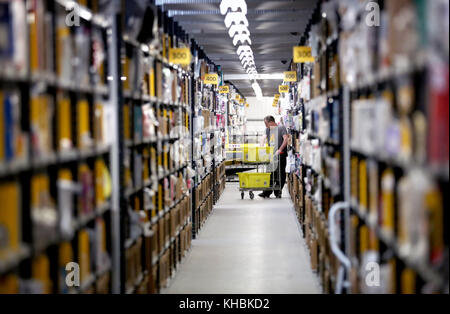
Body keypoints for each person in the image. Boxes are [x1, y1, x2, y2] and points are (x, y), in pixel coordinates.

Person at [259, 116, 289, 199]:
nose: (265, 126)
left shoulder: (281, 128)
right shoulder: (267, 129)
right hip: (271, 154)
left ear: (271, 122)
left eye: (266, 124)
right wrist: (261, 148)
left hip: (281, 154)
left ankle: (278, 191)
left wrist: (280, 149)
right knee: (270, 173)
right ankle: (267, 192)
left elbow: (285, 139)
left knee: (280, 173)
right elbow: (263, 137)